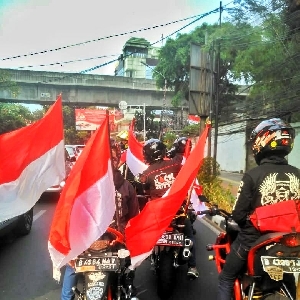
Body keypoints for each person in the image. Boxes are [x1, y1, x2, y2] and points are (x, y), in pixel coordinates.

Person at [218, 118, 300, 300]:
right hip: (290, 238)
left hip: (254, 239)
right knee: (288, 280)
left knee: (226, 277)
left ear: (261, 142)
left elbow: (238, 215)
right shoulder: (297, 173)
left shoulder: (252, 175)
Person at [61, 139, 140, 300]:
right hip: (104, 239)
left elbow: (133, 218)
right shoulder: (124, 186)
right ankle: (129, 285)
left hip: (104, 239)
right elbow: (134, 218)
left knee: (72, 266)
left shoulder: (85, 184)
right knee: (130, 261)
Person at [137, 138, 199, 279]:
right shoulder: (176, 164)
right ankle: (192, 266)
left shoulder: (146, 174)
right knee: (189, 234)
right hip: (177, 210)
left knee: (145, 231)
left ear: (147, 155)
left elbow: (144, 190)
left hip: (157, 213)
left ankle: (146, 252)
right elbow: (186, 170)